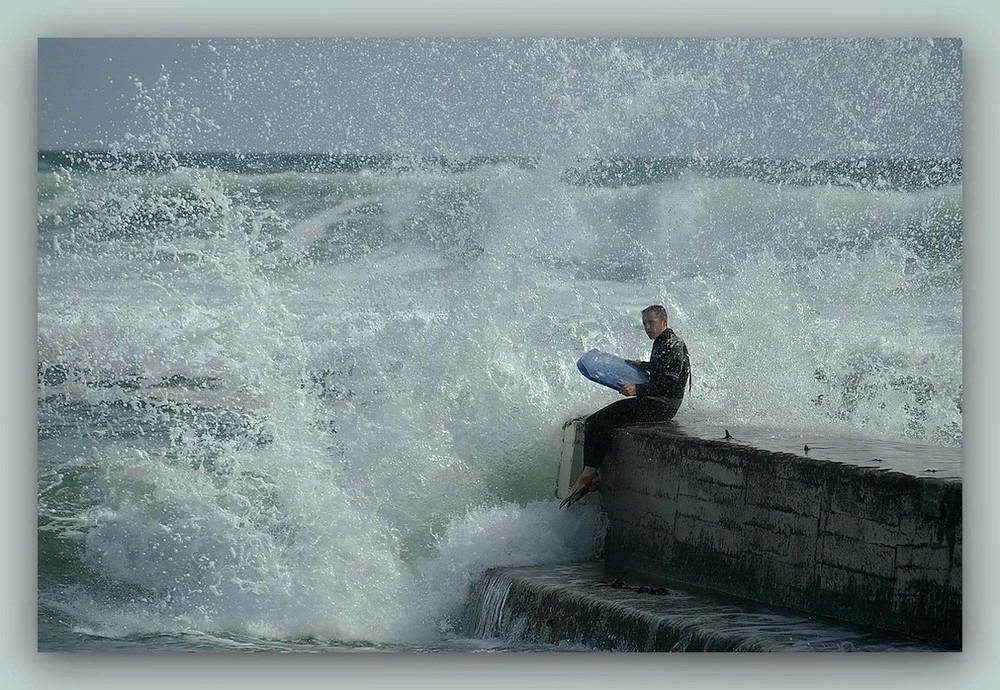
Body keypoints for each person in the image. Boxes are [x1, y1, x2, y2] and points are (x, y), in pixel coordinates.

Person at [561, 304, 690, 507]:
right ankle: (590, 472)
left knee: (606, 418)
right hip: (653, 399)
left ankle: (589, 473)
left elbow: (671, 385)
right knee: (591, 421)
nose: (648, 327)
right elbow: (660, 370)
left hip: (663, 405)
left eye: (652, 322)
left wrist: (637, 390)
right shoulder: (661, 341)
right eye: (645, 323)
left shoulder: (674, 344)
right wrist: (643, 365)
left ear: (664, 321)